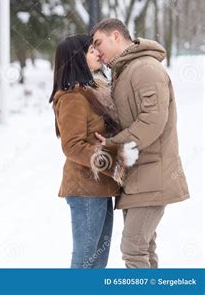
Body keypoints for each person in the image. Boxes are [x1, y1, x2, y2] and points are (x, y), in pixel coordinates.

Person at [91, 18, 190, 268]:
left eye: (98, 42)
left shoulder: (144, 68)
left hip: (152, 175)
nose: (96, 51)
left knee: (133, 249)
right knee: (143, 248)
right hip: (137, 176)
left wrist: (113, 144)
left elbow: (153, 121)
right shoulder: (124, 71)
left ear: (116, 36)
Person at [49, 34, 137, 268]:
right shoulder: (72, 97)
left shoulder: (92, 92)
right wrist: (115, 158)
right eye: (90, 50)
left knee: (98, 261)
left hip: (99, 187)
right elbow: (72, 146)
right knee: (84, 261)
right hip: (85, 188)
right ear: (77, 60)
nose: (98, 53)